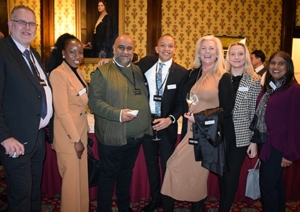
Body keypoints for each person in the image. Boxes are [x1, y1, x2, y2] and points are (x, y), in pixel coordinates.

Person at [161, 35, 234, 212]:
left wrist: (200, 118)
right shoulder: (194, 73)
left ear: (217, 53)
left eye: (211, 48)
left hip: (207, 135)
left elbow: (227, 110)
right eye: (203, 48)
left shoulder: (223, 77)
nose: (207, 52)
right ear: (198, 52)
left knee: (191, 173)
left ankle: (197, 207)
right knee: (179, 168)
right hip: (189, 131)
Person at [88, 34, 152, 212]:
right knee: (108, 177)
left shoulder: (137, 70)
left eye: (129, 48)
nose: (125, 51)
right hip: (113, 138)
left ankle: (124, 208)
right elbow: (94, 102)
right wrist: (117, 115)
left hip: (135, 138)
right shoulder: (103, 72)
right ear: (114, 49)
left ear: (134, 51)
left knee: (125, 175)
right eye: (121, 47)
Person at [0, 5, 53, 211]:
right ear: (10, 24)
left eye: (31, 24)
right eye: (21, 22)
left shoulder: (34, 55)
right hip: (15, 139)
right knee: (20, 196)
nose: (27, 27)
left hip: (37, 137)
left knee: (33, 193)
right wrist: (4, 136)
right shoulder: (3, 52)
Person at [137, 34, 188, 212]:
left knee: (167, 165)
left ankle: (168, 204)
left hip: (167, 125)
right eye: (163, 45)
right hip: (148, 123)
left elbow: (183, 103)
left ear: (175, 49)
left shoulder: (182, 73)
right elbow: (125, 66)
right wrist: (107, 62)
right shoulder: (144, 65)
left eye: (170, 46)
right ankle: (155, 199)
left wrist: (170, 119)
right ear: (157, 49)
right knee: (151, 164)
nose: (166, 49)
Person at [218, 42, 261, 212]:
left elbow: (256, 113)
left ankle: (225, 208)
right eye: (233, 54)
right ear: (228, 57)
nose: (236, 57)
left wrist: (254, 141)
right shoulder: (221, 77)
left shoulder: (254, 80)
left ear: (246, 57)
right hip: (220, 131)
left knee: (231, 174)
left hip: (241, 134)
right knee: (221, 173)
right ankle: (224, 204)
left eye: (240, 54)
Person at [254, 51, 300, 212]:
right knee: (276, 184)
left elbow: (296, 124)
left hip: (279, 145)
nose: (276, 67)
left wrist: (289, 153)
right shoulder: (271, 87)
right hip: (266, 141)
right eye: (273, 63)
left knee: (267, 186)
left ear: (288, 66)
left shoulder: (294, 89)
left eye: (281, 63)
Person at [48, 33, 89, 212]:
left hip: (81, 133)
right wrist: (76, 140)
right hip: (69, 138)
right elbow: (62, 111)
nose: (77, 56)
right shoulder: (58, 74)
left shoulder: (78, 72)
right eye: (72, 52)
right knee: (71, 185)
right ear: (63, 53)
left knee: (80, 182)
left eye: (80, 52)